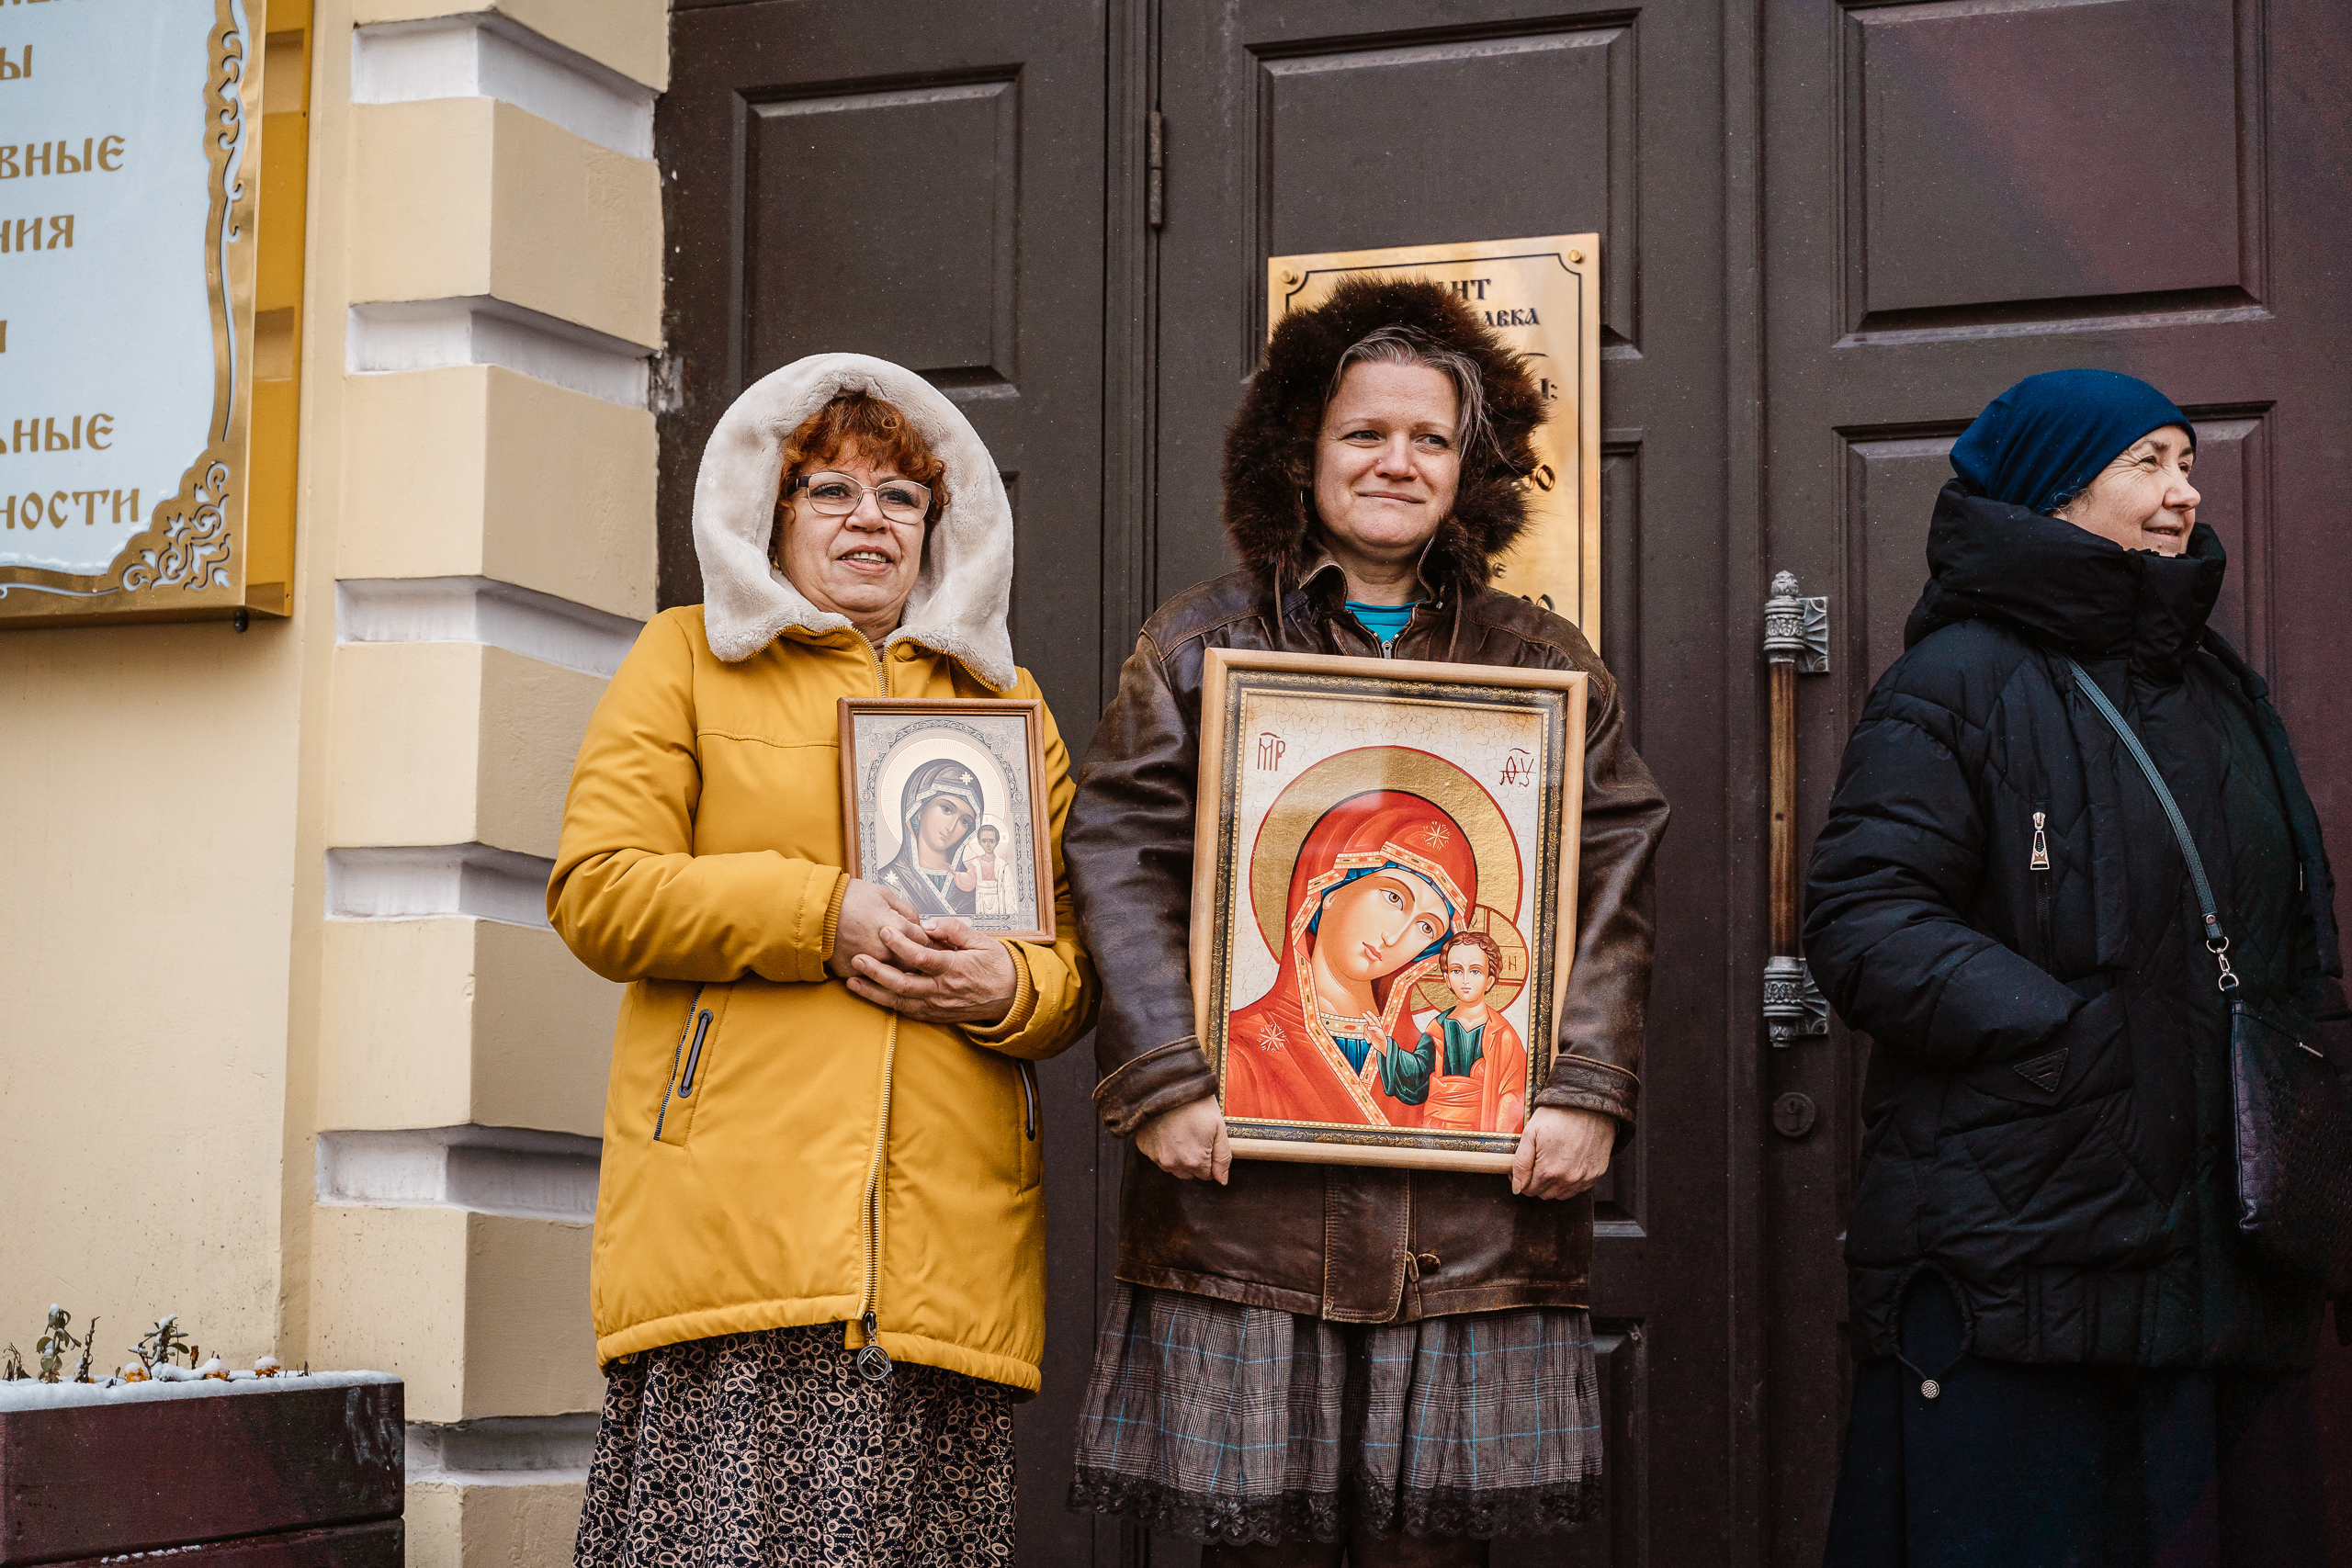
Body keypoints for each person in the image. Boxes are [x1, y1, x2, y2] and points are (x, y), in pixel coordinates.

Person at [1064, 277, 1672, 1562]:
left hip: (1472, 1221)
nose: (1397, 461)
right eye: (1363, 433)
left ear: (1473, 467)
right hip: (1243, 1206)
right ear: (1301, 447)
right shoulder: (1193, 646)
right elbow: (1118, 856)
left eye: (1431, 438)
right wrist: (1169, 1075)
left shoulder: (1548, 665)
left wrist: (1582, 1085)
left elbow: (1611, 879)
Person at [550, 353, 1096, 1565]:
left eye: (901, 497)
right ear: (771, 512)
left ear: (941, 527)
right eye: (831, 490)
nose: (869, 519)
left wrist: (1006, 988)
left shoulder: (1006, 705)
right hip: (738, 1237)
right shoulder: (685, 658)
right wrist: (822, 912)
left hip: (941, 1257)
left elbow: (1068, 967)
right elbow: (599, 891)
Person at [1805, 369, 2346, 1567]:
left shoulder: (2221, 692)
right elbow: (1861, 917)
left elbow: (2299, 936)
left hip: (2219, 1264)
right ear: (2055, 490)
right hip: (2023, 1250)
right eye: (2146, 462)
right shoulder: (1956, 682)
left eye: (2186, 462)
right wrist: (2071, 1033)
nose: (2183, 492)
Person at [1223, 789, 1476, 1127]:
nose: (1394, 937)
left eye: (1426, 927)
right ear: (1329, 888)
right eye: (1393, 897)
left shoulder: (1428, 1066)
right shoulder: (1239, 1049)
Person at [1382, 930, 1528, 1135]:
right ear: (1447, 979)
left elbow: (1516, 1094)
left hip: (1482, 1128)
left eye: (1475, 971)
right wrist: (1386, 1047)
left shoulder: (1503, 1035)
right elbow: (1418, 1076)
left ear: (1490, 980)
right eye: (1457, 971)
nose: (1465, 980)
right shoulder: (1438, 1028)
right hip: (1437, 1129)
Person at [873, 756, 983, 917]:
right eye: (946, 809)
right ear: (919, 810)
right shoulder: (884, 882)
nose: (952, 827)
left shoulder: (973, 890)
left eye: (965, 821)